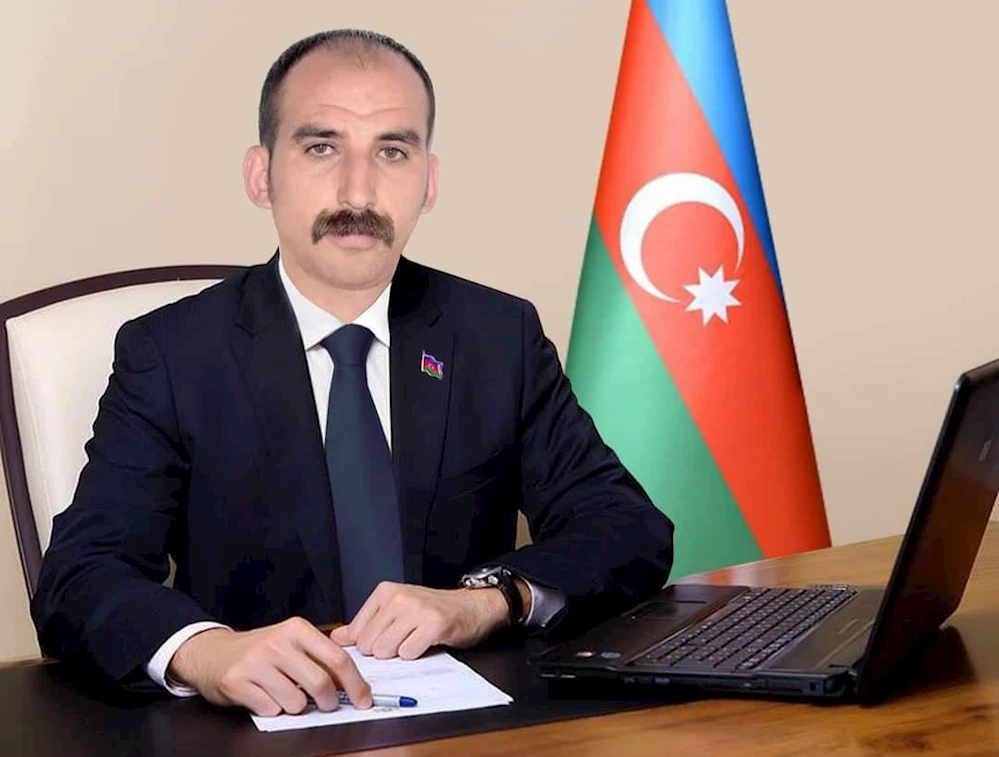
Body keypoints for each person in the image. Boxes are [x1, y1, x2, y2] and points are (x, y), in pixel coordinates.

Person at [30, 29, 674, 718]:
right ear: (260, 175)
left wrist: (488, 600)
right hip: (255, 731)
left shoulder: (496, 336)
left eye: (392, 151)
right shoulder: (171, 352)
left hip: (465, 727)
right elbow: (79, 574)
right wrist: (206, 650)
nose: (357, 190)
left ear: (429, 182)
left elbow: (627, 527)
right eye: (321, 147)